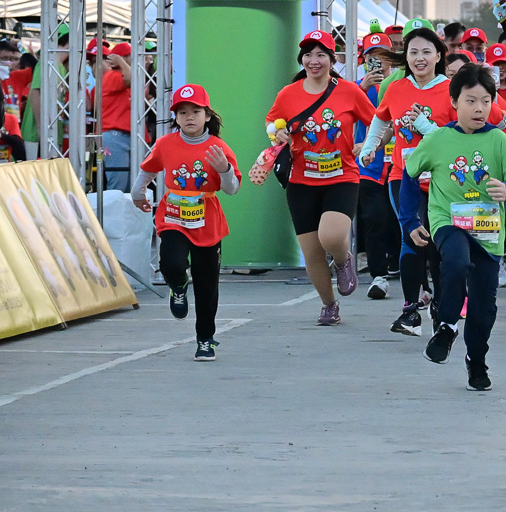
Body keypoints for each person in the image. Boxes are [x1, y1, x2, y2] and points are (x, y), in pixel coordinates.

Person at [397, 63, 506, 392]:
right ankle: (446, 326)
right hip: (448, 221)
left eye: (486, 101)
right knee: (456, 261)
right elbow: (409, 174)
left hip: (487, 230)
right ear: (454, 102)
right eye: (471, 101)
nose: (479, 109)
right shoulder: (437, 139)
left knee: (484, 309)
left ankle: (476, 361)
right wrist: (410, 221)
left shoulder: (500, 141)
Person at [259, 30, 376, 326]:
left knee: (331, 236)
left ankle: (343, 259)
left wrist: (367, 144)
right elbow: (271, 122)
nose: (314, 60)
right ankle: (329, 305)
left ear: (332, 60)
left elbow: (377, 120)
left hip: (342, 177)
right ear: (302, 59)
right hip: (301, 181)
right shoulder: (288, 93)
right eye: (308, 55)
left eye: (321, 54)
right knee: (311, 252)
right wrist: (277, 132)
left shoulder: (349, 91)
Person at [133, 83, 239, 360]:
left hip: (207, 221)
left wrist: (224, 170)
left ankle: (205, 339)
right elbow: (149, 169)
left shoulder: (218, 147)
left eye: (195, 111)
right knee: (171, 263)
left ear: (207, 115)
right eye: (182, 112)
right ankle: (178, 286)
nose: (189, 117)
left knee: (207, 285)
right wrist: (137, 193)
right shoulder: (166, 144)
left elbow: (232, 189)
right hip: (173, 216)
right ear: (176, 117)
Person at [360, 24, 453, 336]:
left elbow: (456, 139)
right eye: (413, 52)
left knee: (437, 241)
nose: (419, 58)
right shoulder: (396, 88)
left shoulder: (451, 90)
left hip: (441, 178)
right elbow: (380, 118)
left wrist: (425, 126)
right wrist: (370, 147)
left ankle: (441, 307)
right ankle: (411, 311)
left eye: (427, 51)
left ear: (439, 55)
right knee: (410, 236)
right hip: (404, 175)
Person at [352, 33, 401, 302]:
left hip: (398, 163)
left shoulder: (401, 84)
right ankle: (378, 275)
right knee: (374, 217)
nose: (378, 62)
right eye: (372, 56)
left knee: (400, 218)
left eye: (383, 55)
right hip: (368, 165)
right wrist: (362, 88)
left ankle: (401, 263)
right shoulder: (356, 87)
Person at [97, 43, 134, 196]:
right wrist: (120, 61)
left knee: (127, 187)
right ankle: (112, 212)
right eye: (130, 55)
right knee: (118, 188)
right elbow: (132, 78)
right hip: (115, 136)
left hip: (120, 136)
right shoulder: (112, 76)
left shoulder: (116, 77)